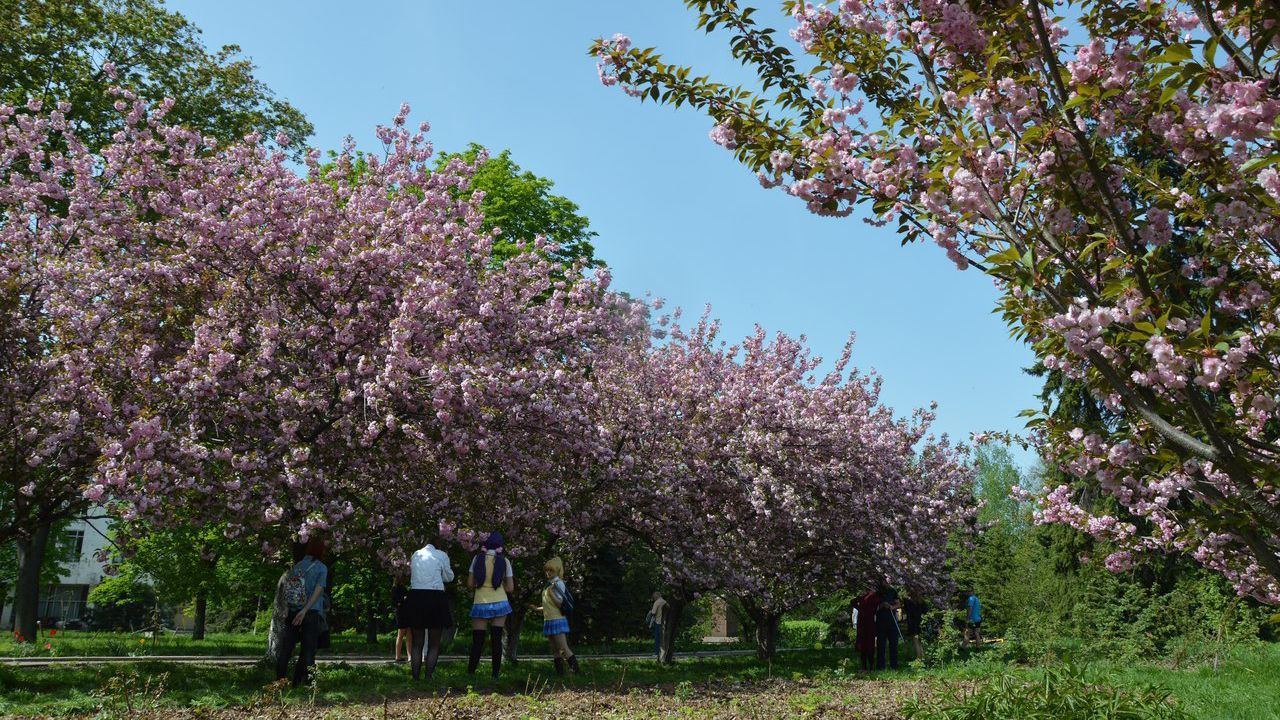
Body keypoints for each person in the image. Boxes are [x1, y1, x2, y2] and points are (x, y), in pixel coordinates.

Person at [275, 538, 328, 687]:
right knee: (309, 649)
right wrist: (305, 610)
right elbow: (319, 590)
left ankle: (280, 682)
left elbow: (288, 589)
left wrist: (286, 607)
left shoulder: (297, 566)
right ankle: (308, 683)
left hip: (293, 611)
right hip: (310, 612)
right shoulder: (321, 568)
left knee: (286, 648)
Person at [466, 531, 513, 678]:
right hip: (500, 602)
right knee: (496, 638)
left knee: (478, 640)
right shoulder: (504, 561)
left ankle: (471, 673)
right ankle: (495, 674)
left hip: (481, 601)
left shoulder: (476, 559)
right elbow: (510, 588)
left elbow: (470, 584)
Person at [406, 538, 455, 680]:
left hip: (416, 596)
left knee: (417, 642)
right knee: (434, 642)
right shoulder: (441, 555)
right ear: (438, 544)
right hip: (435, 596)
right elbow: (448, 577)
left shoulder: (416, 555)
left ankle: (415, 677)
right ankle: (428, 676)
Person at [540, 557, 579, 675]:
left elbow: (559, 603)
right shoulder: (549, 584)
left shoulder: (558, 584)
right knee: (555, 650)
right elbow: (549, 605)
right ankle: (560, 674)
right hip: (549, 619)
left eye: (551, 570)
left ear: (557, 570)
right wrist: (536, 608)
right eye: (547, 570)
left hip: (557, 620)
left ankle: (577, 672)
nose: (548, 573)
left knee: (563, 648)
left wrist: (551, 593)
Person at [874, 579, 901, 671]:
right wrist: (881, 606)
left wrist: (891, 606)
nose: (885, 582)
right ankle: (881, 666)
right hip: (880, 621)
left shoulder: (892, 591)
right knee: (881, 644)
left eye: (886, 580)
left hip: (892, 621)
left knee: (894, 644)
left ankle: (894, 665)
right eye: (883, 581)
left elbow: (898, 604)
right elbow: (873, 607)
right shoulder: (877, 593)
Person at [855, 587, 880, 672]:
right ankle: (868, 667)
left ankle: (867, 666)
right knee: (867, 645)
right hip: (866, 623)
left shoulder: (871, 596)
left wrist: (860, 609)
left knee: (866, 645)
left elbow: (853, 602)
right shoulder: (867, 596)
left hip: (866, 623)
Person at [903, 588, 927, 660]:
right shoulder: (922, 601)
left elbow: (907, 611)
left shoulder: (907, 601)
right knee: (920, 641)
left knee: (915, 641)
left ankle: (919, 658)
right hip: (921, 622)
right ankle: (922, 657)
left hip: (912, 622)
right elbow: (926, 611)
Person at [391, 576, 411, 663]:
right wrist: (403, 599)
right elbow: (396, 602)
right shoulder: (395, 588)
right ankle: (397, 656)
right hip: (400, 612)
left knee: (409, 633)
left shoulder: (404, 587)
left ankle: (410, 656)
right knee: (401, 633)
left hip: (407, 612)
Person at [646, 591, 668, 660]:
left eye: (654, 597)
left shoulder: (657, 602)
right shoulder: (665, 602)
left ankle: (656, 653)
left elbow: (653, 612)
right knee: (663, 639)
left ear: (656, 596)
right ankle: (664, 653)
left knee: (657, 639)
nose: (653, 598)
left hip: (658, 622)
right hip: (665, 623)